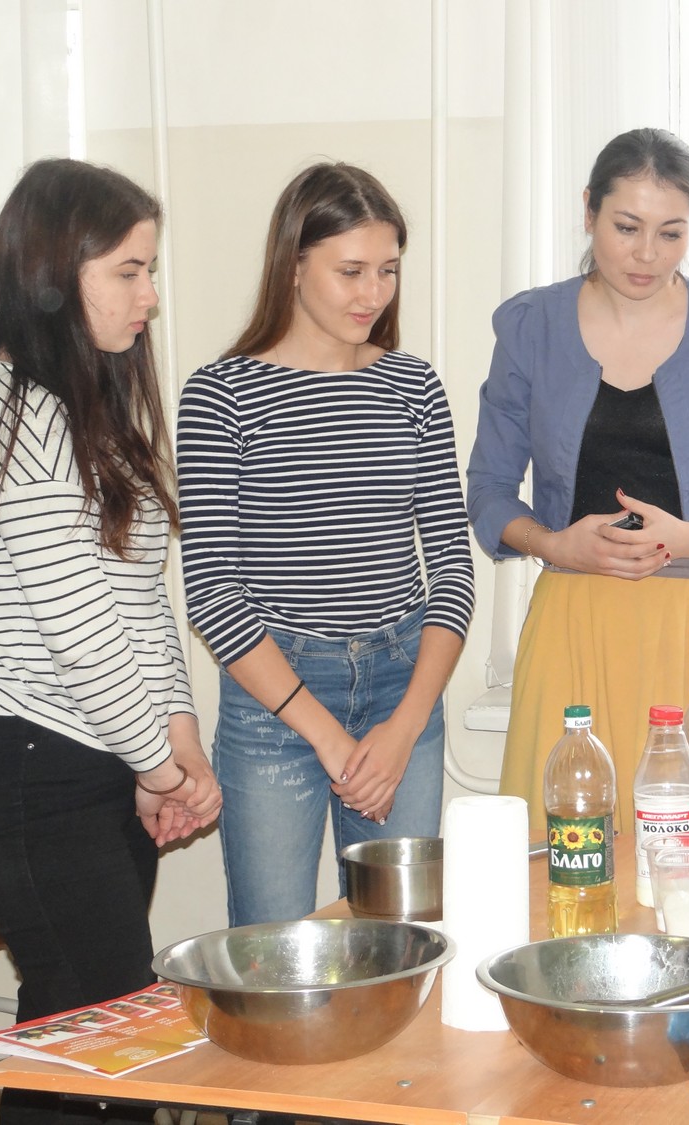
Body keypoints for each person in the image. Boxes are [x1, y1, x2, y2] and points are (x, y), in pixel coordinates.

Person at [0, 158, 221, 1125]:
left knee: (82, 1045)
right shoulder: (13, 407)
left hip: (93, 764)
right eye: (129, 271)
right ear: (56, 273)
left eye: (152, 269)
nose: (151, 294)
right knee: (115, 1048)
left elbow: (139, 603)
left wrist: (179, 742)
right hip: (31, 768)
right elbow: (75, 627)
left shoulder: (86, 412)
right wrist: (158, 763)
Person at [467, 127, 689, 832]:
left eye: (671, 233)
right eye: (626, 227)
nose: (646, 254)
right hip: (573, 626)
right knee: (566, 862)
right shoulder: (530, 326)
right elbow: (489, 492)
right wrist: (557, 546)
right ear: (588, 210)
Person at [178, 163, 474, 926]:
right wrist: (334, 742)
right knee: (273, 954)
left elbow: (451, 569)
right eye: (351, 271)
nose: (372, 294)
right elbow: (212, 591)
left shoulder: (414, 386)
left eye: (387, 270)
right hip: (276, 700)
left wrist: (403, 726)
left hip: (400, 686)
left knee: (400, 944)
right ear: (294, 263)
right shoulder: (222, 394)